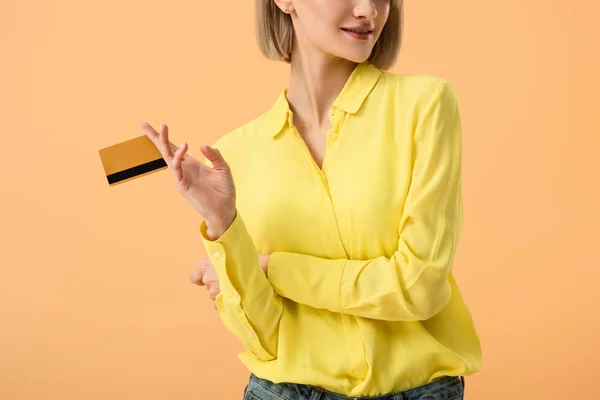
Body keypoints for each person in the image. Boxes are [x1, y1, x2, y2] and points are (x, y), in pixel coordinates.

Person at [140, 0, 482, 398]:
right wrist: (223, 225)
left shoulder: (425, 106)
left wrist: (273, 269)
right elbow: (266, 338)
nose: (369, 9)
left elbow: (418, 287)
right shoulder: (235, 153)